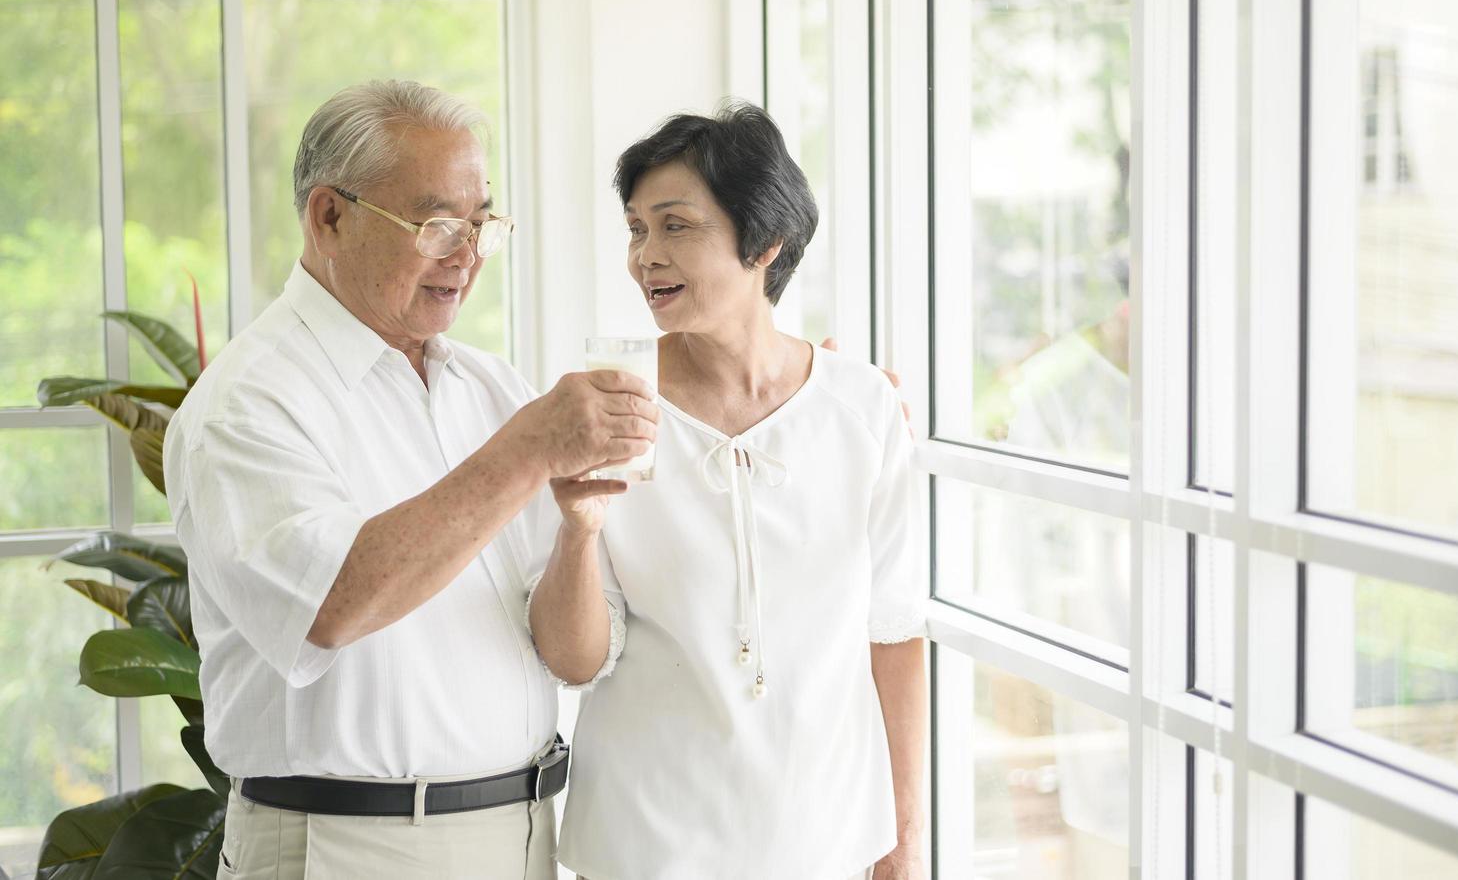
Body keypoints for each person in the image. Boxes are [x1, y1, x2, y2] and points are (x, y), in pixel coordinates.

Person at [163, 79, 654, 879]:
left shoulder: (489, 387)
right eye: (434, 226)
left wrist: (579, 530)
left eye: (480, 225)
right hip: (350, 848)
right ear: (329, 216)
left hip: (525, 836)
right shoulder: (246, 403)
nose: (464, 257)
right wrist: (528, 450)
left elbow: (574, 655)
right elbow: (332, 602)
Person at [529, 103, 928, 880]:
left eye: (675, 226)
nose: (645, 255)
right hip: (646, 844)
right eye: (636, 229)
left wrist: (904, 848)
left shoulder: (861, 407)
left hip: (828, 840)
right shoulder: (603, 407)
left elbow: (895, 632)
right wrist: (577, 528)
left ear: (763, 241)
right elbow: (574, 662)